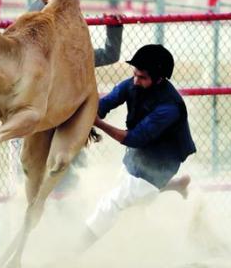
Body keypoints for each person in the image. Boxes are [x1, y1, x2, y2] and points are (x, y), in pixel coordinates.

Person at [9, 0, 124, 195]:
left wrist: (114, 25)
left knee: (65, 172)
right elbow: (19, 33)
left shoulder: (76, 56)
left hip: (64, 123)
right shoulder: (36, 54)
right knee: (29, 169)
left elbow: (110, 53)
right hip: (36, 122)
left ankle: (63, 212)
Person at [79, 44, 196, 251]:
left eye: (142, 77)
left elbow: (134, 138)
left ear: (159, 78)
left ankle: (75, 249)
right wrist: (85, 111)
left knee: (113, 202)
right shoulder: (134, 84)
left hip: (161, 164)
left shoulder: (170, 107)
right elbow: (105, 103)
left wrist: (97, 123)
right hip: (138, 157)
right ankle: (175, 186)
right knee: (132, 198)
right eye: (135, 74)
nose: (135, 80)